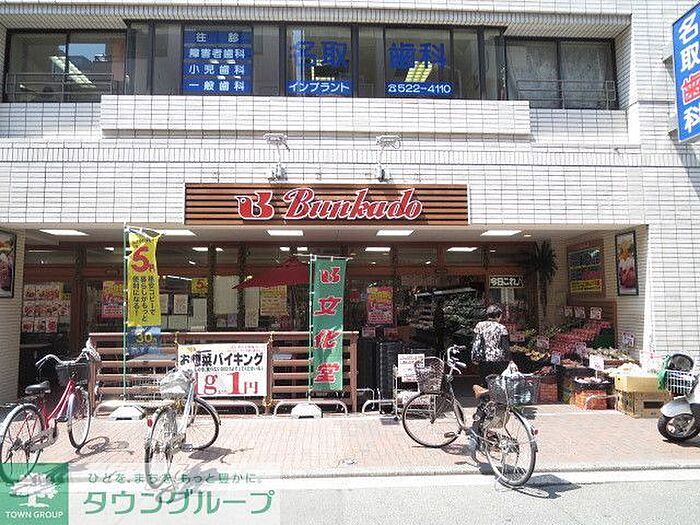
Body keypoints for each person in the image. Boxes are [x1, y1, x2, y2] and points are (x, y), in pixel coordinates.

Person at [473, 304, 510, 387]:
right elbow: (505, 346)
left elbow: (476, 342)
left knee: (485, 383)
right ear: (498, 316)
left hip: (483, 359)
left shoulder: (479, 325)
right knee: (498, 383)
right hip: (499, 360)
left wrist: (474, 358)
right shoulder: (501, 328)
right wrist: (509, 360)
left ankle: (486, 394)